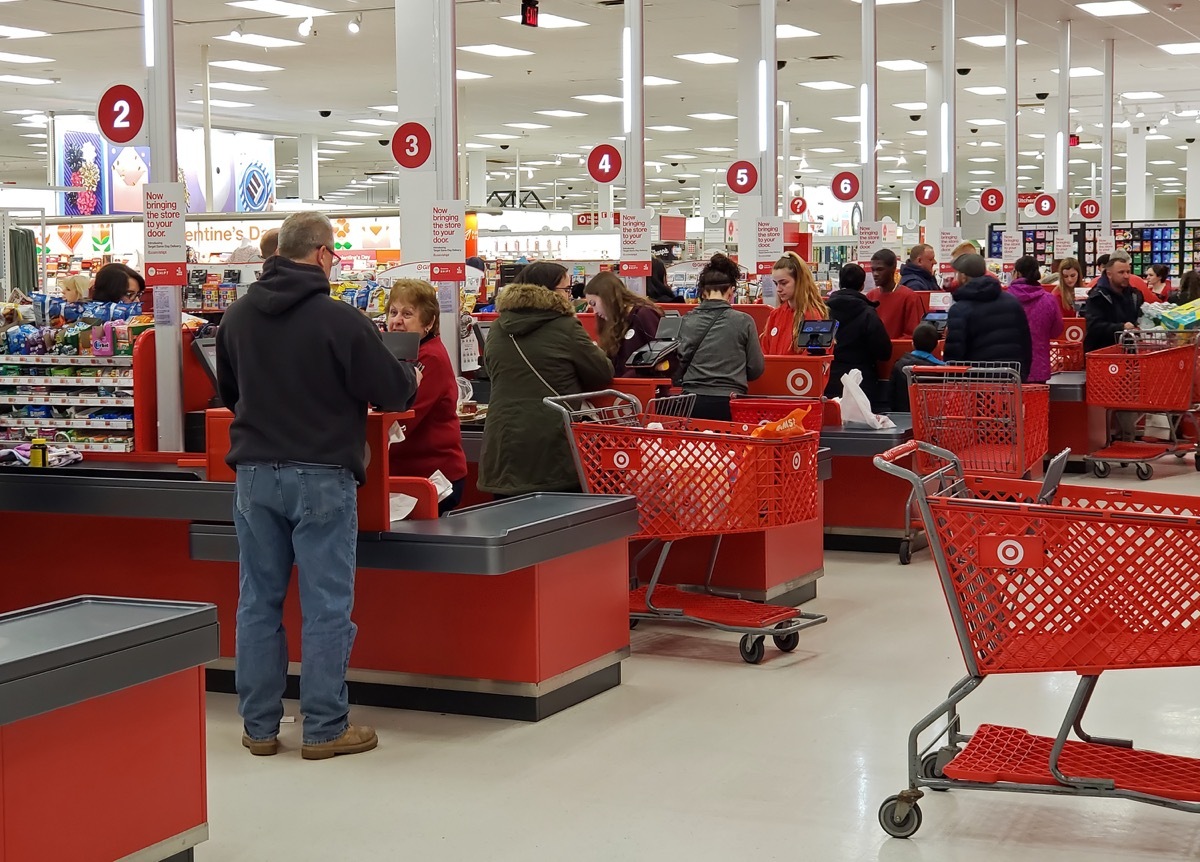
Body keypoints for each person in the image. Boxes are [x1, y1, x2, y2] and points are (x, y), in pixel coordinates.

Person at [216, 211, 420, 761]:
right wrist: (410, 371)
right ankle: (325, 727)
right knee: (326, 604)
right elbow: (393, 392)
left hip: (254, 475)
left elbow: (230, 394)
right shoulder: (340, 320)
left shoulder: (235, 317)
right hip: (323, 476)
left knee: (257, 601)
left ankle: (259, 727)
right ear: (325, 255)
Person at [478, 263, 613, 496]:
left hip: (503, 441)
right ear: (548, 291)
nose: (569, 295)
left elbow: (492, 371)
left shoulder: (498, 327)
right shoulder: (565, 326)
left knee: (509, 522)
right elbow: (602, 373)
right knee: (557, 525)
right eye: (565, 288)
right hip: (553, 443)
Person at [386, 279, 468, 515]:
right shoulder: (396, 354)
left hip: (433, 478)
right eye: (393, 312)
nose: (397, 321)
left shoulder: (430, 359)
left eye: (407, 314)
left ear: (429, 322)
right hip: (403, 475)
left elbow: (405, 416)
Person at [676, 253, 764, 421]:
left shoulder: (686, 320)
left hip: (691, 402)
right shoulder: (743, 321)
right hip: (730, 401)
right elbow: (756, 368)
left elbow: (679, 360)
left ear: (702, 290)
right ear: (732, 289)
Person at [943, 253, 1032, 381]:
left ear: (963, 276)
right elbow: (1025, 343)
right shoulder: (1012, 302)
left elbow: (954, 352)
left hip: (976, 382)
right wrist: (1023, 374)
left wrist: (952, 380)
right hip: (1010, 380)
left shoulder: (960, 309)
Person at [825, 263, 892, 409]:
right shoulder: (868, 313)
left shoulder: (823, 311)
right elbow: (884, 351)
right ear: (862, 286)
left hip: (829, 379)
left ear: (840, 282)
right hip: (861, 383)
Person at [584, 270, 663, 376]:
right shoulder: (611, 322)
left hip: (644, 388)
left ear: (608, 297)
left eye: (593, 303)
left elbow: (661, 357)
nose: (595, 311)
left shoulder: (644, 315)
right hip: (622, 388)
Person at [1009, 255, 1065, 384]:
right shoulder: (1049, 300)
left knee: (1012, 404)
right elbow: (1057, 330)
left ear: (1017, 273)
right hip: (1039, 366)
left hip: (1010, 367)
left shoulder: (1004, 299)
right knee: (1037, 403)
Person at [760, 252, 828, 355]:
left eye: (783, 283)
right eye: (776, 283)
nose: (778, 289)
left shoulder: (812, 316)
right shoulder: (775, 315)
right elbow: (764, 352)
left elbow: (812, 364)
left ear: (799, 281)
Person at [1083, 249, 1140, 353]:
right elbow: (1093, 326)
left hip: (1128, 353)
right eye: (1121, 272)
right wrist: (1121, 327)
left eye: (1128, 272)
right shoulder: (1097, 296)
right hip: (1102, 354)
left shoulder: (1134, 295)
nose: (1126, 276)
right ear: (1109, 274)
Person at [866, 248, 924, 340]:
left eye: (880, 269)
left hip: (899, 352)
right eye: (873, 270)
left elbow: (912, 334)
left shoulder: (909, 297)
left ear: (893, 268)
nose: (875, 274)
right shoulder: (870, 296)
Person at [890, 322, 945, 412]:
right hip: (931, 418)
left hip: (904, 415)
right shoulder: (942, 370)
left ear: (913, 344)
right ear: (936, 345)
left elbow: (891, 394)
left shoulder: (899, 365)